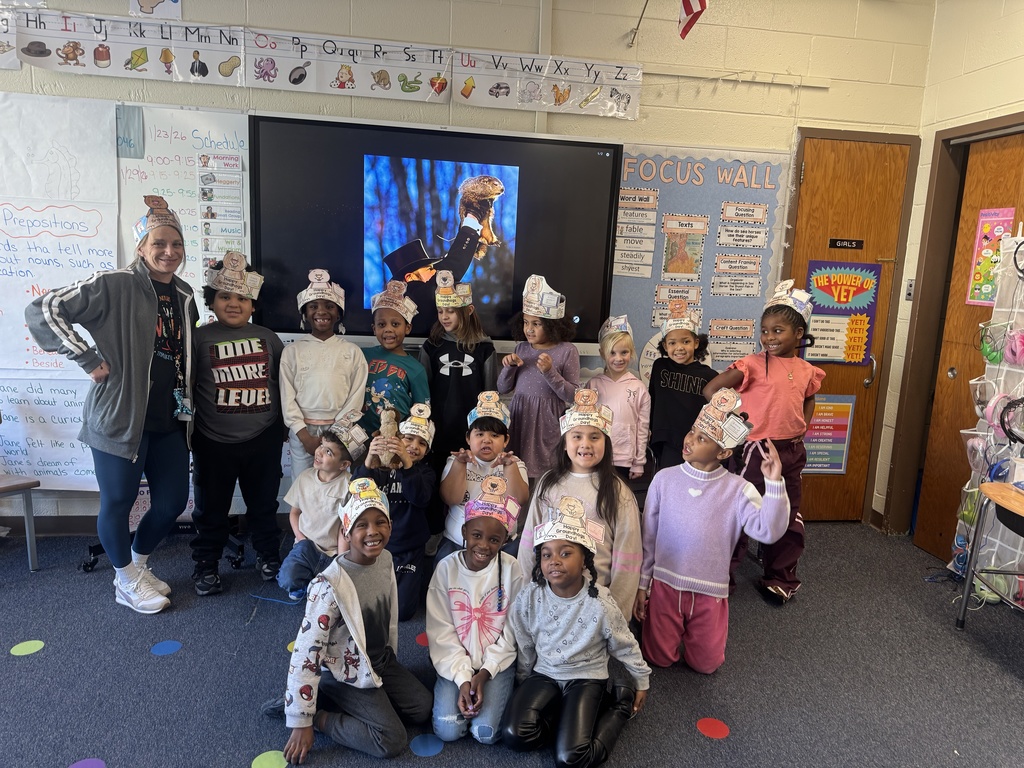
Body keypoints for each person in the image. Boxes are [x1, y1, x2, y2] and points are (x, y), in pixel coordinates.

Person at [26, 195, 196, 614]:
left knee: (173, 503)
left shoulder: (186, 293)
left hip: (170, 418)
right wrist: (85, 357)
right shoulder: (116, 283)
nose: (168, 251)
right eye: (159, 243)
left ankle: (137, 565)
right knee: (118, 502)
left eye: (176, 244)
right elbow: (43, 308)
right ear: (141, 247)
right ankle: (124, 579)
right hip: (120, 417)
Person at [264, 477, 432, 763]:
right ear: (346, 530)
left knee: (422, 709)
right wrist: (303, 720)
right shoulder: (328, 586)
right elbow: (306, 651)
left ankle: (329, 697)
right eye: (361, 525)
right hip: (347, 672)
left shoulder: (386, 559)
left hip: (380, 662)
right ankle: (319, 712)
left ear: (390, 526)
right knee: (391, 740)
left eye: (380, 522)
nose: (372, 532)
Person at [634, 390, 789, 673]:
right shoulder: (663, 480)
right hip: (665, 585)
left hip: (710, 591)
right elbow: (649, 538)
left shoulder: (739, 489)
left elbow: (768, 531)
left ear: (724, 452)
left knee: (706, 665)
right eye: (692, 432)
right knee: (657, 658)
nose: (690, 440)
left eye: (702, 438)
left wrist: (775, 484)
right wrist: (643, 585)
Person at [703, 280, 826, 603]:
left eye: (778, 331)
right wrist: (732, 421)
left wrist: (805, 424)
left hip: (791, 451)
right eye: (765, 331)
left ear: (799, 333)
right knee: (741, 510)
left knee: (786, 513)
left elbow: (810, 399)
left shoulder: (805, 369)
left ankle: (780, 577)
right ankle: (721, 575)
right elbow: (711, 390)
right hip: (755, 451)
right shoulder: (752, 365)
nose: (769, 337)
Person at [502, 502, 650, 768]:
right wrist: (524, 679)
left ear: (585, 559)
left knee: (570, 758)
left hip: (586, 677)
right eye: (546, 555)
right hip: (545, 672)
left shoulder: (600, 602)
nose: (554, 560)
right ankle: (565, 722)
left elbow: (625, 644)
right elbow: (524, 642)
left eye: (565, 553)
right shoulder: (530, 596)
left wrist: (641, 680)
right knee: (514, 735)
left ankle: (618, 703)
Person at [189, 252, 284, 596]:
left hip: (263, 438)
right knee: (211, 509)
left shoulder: (269, 338)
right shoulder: (198, 338)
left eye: (242, 298)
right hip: (213, 441)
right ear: (212, 300)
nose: (233, 303)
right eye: (225, 296)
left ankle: (269, 556)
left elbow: (281, 385)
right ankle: (206, 564)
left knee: (263, 505)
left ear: (253, 304)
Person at [518, 390, 642, 621]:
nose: (585, 444)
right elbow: (529, 541)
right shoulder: (547, 483)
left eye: (594, 437)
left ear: (606, 442)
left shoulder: (618, 492)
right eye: (577, 436)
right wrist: (526, 591)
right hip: (548, 594)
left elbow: (628, 556)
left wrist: (617, 615)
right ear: (565, 442)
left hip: (595, 600)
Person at [426, 477, 524, 745]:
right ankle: (461, 688)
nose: (484, 546)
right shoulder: (446, 569)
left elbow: (512, 629)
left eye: (494, 539)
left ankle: (502, 688)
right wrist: (463, 679)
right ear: (464, 532)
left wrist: (485, 673)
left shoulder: (512, 568)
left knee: (486, 734)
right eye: (477, 536)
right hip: (455, 662)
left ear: (505, 540)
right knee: (448, 730)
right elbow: (441, 632)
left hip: (496, 663)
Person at [382, 175, 505, 336]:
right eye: (429, 268)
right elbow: (452, 267)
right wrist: (472, 217)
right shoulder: (413, 297)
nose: (435, 270)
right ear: (410, 277)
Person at [280, 268, 367, 479]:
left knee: (336, 485)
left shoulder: (352, 352)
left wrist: (334, 434)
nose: (321, 311)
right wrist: (304, 435)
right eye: (313, 306)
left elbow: (355, 397)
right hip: (303, 433)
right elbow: (287, 398)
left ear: (339, 313)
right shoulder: (292, 352)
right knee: (303, 484)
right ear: (304, 313)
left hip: (339, 432)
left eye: (329, 306)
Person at [352, 404, 437, 621]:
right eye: (408, 439)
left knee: (403, 612)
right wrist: (370, 460)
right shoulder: (380, 469)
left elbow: (420, 498)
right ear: (397, 438)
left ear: (427, 451)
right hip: (377, 549)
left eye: (422, 443)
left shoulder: (425, 472)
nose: (413, 446)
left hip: (409, 548)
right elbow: (358, 494)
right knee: (364, 604)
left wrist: (407, 465)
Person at [497, 274, 580, 481]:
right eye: (526, 322)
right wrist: (508, 367)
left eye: (536, 324)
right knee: (517, 473)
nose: (529, 329)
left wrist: (550, 373)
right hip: (520, 417)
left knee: (547, 476)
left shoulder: (567, 350)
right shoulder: (522, 348)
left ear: (552, 325)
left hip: (548, 420)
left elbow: (572, 395)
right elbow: (503, 388)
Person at [418, 269, 497, 479]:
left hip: (471, 431)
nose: (444, 316)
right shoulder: (431, 347)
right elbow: (423, 392)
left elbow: (490, 395)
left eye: (451, 311)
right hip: (438, 429)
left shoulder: (484, 349)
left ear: (468, 310)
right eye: (440, 311)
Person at [437, 391, 530, 562]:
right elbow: (450, 497)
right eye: (479, 434)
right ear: (468, 438)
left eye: (495, 436)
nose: (486, 440)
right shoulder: (455, 460)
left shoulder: (514, 462)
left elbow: (519, 500)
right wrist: (460, 464)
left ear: (506, 440)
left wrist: (509, 467)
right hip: (457, 544)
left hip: (504, 546)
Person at [277, 429, 358, 600]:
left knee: (340, 589)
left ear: (343, 465)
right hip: (306, 546)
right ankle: (308, 583)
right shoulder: (305, 477)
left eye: (328, 451)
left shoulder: (349, 485)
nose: (319, 452)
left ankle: (321, 582)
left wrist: (341, 561)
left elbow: (345, 527)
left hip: (334, 551)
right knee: (286, 579)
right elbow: (294, 513)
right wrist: (301, 539)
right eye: (321, 445)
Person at [648, 300, 716, 470]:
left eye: (685, 342)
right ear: (665, 346)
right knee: (668, 486)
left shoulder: (709, 376)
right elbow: (652, 399)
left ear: (696, 343)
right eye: (672, 343)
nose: (679, 348)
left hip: (696, 443)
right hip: (666, 442)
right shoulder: (659, 367)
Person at [359, 280, 431, 434]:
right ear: (374, 328)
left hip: (396, 442)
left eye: (395, 324)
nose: (388, 330)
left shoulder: (416, 369)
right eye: (381, 325)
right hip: (361, 439)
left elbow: (422, 411)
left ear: (408, 328)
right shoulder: (361, 355)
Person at [587, 315, 651, 481]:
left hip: (624, 458)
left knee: (618, 501)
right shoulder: (593, 385)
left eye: (624, 352)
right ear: (602, 353)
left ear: (631, 352)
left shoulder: (639, 388)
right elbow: (585, 423)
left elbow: (642, 428)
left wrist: (639, 462)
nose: (618, 358)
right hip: (595, 455)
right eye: (612, 353)